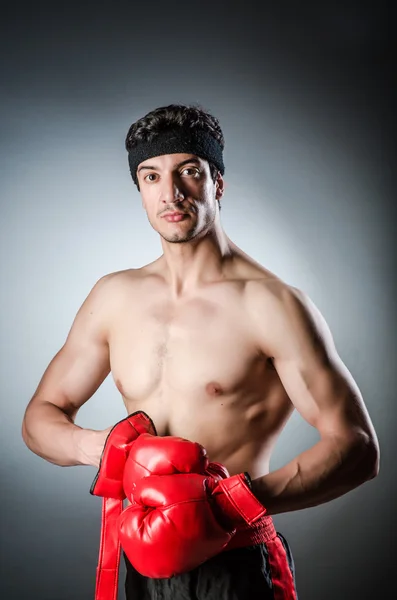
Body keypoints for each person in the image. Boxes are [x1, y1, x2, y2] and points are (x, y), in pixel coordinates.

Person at [22, 104, 380, 600]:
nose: (170, 193)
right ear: (140, 190)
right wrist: (103, 449)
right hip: (142, 558)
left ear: (218, 184)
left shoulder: (271, 304)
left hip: (234, 562)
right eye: (152, 176)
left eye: (188, 172)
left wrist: (233, 503)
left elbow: (357, 447)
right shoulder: (114, 297)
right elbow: (40, 418)